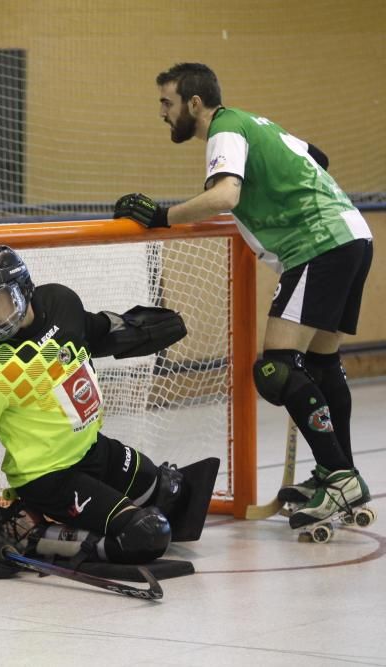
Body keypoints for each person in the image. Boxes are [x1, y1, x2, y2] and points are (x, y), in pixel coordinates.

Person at [114, 62, 374, 531]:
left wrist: (161, 215)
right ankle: (340, 474)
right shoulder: (256, 123)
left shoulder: (225, 131)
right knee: (320, 365)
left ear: (195, 103)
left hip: (318, 245)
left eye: (166, 103)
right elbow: (318, 156)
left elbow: (225, 196)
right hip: (352, 234)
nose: (162, 113)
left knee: (276, 369)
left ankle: (339, 475)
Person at [0, 245, 218, 579]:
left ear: (22, 290)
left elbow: (92, 331)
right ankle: (30, 533)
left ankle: (39, 521)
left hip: (93, 449)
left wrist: (137, 329)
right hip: (49, 477)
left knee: (172, 492)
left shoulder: (60, 303)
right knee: (147, 534)